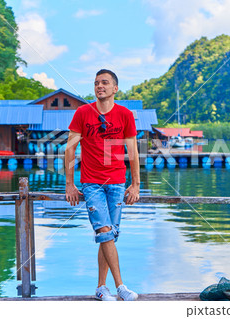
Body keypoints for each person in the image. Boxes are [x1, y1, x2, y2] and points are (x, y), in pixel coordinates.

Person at [65, 69, 140, 301]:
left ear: (115, 88)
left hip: (117, 181)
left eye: (105, 83)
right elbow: (69, 149)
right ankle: (120, 287)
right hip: (91, 182)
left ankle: (100, 287)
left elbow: (133, 151)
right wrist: (70, 184)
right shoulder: (82, 113)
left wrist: (136, 184)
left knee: (109, 235)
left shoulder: (125, 115)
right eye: (97, 83)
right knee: (104, 230)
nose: (100, 86)